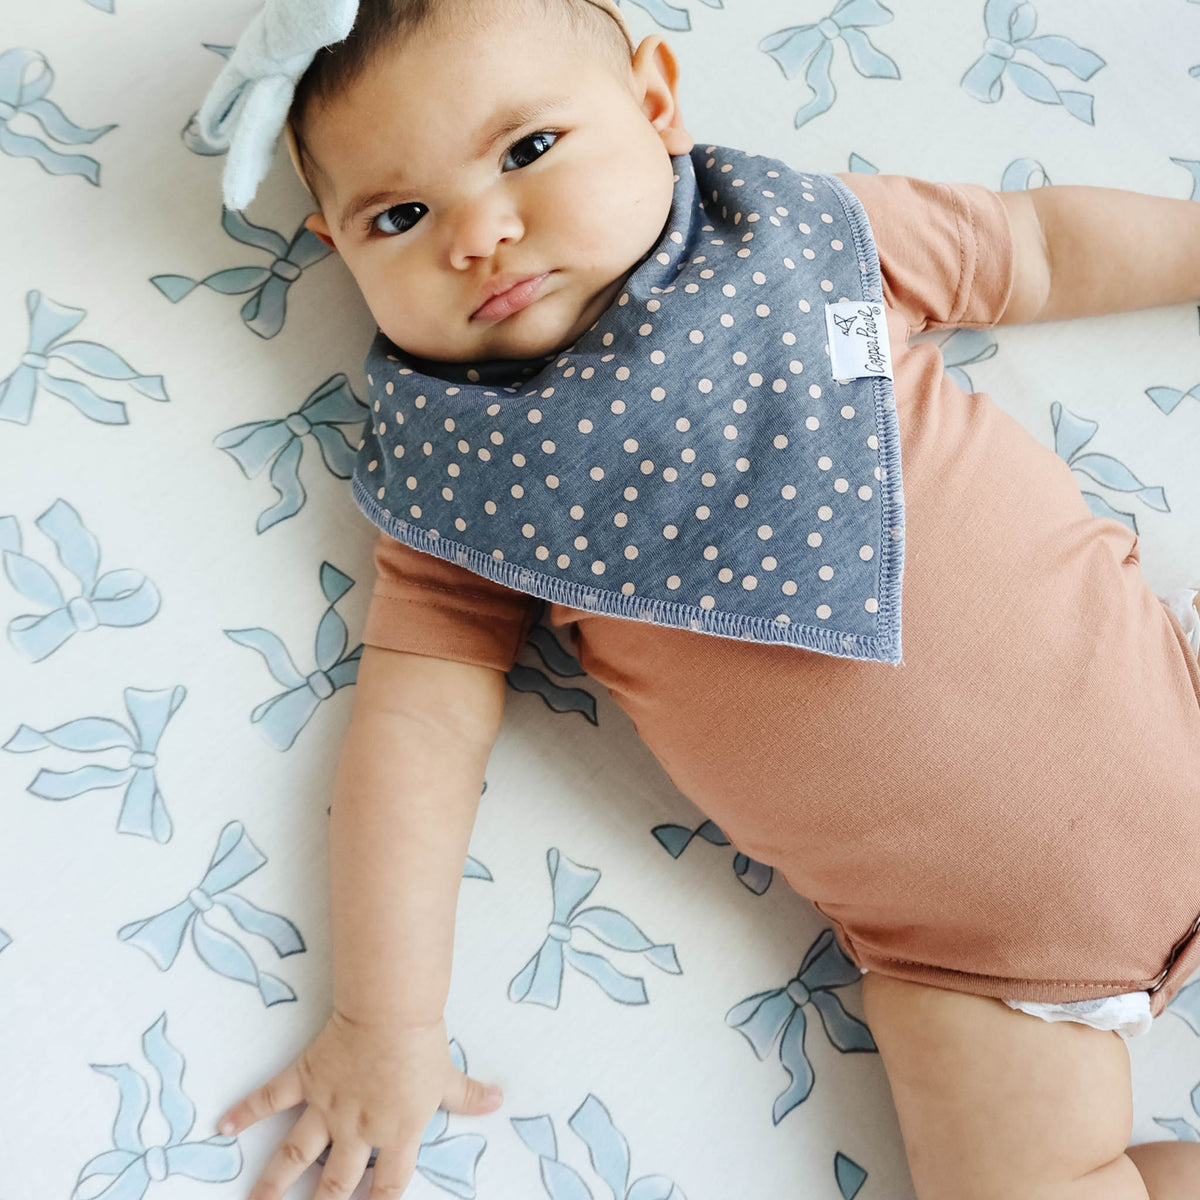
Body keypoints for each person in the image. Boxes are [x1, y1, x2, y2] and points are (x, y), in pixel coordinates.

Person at [195, 1, 1200, 1197]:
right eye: (400, 217)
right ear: (336, 249)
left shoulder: (795, 236)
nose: (483, 233)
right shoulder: (461, 488)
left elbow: (1030, 247)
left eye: (527, 151)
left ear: (655, 100)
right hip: (978, 965)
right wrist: (386, 1020)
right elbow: (413, 740)